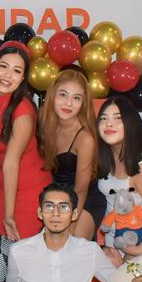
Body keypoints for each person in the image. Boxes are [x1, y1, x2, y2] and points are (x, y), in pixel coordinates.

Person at [0, 45, 51, 240]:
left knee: (21, 252)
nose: (8, 75)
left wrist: (9, 215)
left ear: (23, 78)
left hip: (28, 190)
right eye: (3, 66)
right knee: (0, 251)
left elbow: (11, 163)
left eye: (16, 71)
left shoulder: (23, 111)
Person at [94, 95, 142, 254]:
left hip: (140, 246)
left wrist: (136, 251)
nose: (109, 124)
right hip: (113, 244)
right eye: (103, 118)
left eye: (118, 118)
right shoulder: (105, 155)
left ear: (131, 123)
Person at [39, 69, 99, 239]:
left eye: (76, 98)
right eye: (63, 95)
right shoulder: (45, 123)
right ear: (52, 95)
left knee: (70, 243)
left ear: (83, 103)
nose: (68, 103)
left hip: (83, 200)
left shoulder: (85, 139)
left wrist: (69, 225)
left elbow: (81, 189)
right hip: (57, 199)